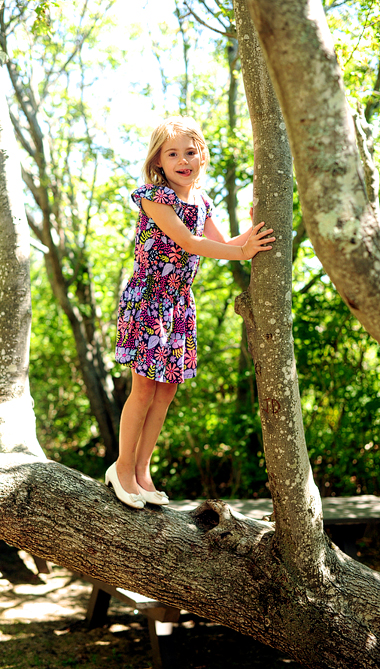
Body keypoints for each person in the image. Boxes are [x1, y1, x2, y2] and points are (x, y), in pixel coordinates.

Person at [109, 116, 274, 509]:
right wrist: (240, 251)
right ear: (159, 162)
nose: (183, 160)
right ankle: (123, 468)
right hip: (149, 300)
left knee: (166, 391)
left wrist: (251, 233)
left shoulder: (201, 201)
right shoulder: (155, 197)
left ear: (202, 156)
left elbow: (222, 243)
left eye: (191, 152)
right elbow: (190, 242)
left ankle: (144, 472)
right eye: (173, 154)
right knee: (144, 387)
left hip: (180, 304)